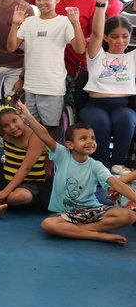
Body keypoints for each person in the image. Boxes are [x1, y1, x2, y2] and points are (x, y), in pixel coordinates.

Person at [17, 104, 136, 245]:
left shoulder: (96, 166)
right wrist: (28, 117)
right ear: (70, 145)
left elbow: (117, 184)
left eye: (92, 138)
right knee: (48, 224)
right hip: (68, 214)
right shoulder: (62, 154)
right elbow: (44, 135)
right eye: (83, 138)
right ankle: (98, 235)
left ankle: (81, 231)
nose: (90, 141)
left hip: (92, 209)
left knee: (128, 216)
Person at [7, 0, 84, 134]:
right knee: (30, 128)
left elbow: (80, 49)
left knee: (50, 130)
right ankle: (37, 158)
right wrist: (15, 24)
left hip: (52, 87)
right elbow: (11, 47)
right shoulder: (29, 22)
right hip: (30, 86)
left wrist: (76, 23)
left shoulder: (64, 22)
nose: (42, 2)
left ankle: (50, 158)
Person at [78, 0, 136, 172]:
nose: (120, 41)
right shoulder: (97, 54)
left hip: (122, 106)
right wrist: (101, 4)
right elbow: (95, 33)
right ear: (106, 37)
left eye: (125, 36)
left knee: (127, 119)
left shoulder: (132, 58)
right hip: (95, 105)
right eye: (114, 36)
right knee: (100, 123)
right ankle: (101, 167)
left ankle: (118, 165)